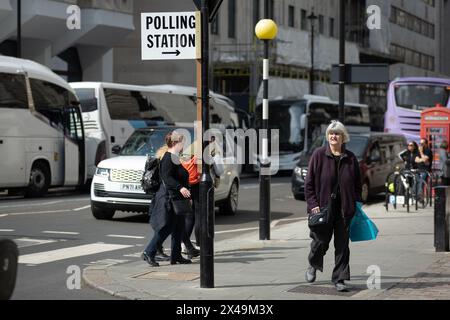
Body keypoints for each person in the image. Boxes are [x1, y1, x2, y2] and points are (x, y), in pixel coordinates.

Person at [304, 120, 362, 292]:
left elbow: (358, 184)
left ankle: (340, 279)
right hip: (322, 207)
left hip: (345, 210)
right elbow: (308, 184)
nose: (333, 136)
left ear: (343, 137)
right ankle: (313, 264)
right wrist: (313, 204)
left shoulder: (351, 158)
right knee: (320, 242)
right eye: (331, 133)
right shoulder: (318, 155)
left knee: (342, 246)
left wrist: (356, 203)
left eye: (337, 133)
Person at [142, 130, 192, 267]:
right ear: (175, 143)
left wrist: (185, 193)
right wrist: (180, 188)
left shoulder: (175, 158)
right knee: (166, 227)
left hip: (177, 198)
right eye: (182, 142)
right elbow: (167, 178)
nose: (184, 144)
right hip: (169, 198)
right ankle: (149, 252)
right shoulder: (168, 158)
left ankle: (176, 256)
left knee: (179, 227)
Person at [180, 142, 201, 260]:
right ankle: (199, 244)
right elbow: (219, 170)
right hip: (197, 186)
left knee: (189, 216)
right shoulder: (202, 156)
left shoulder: (183, 156)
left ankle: (184, 245)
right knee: (199, 215)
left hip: (186, 185)